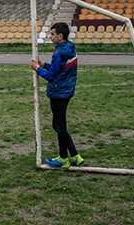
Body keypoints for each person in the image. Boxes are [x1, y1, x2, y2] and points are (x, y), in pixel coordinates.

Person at [30, 22, 84, 168]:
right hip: (66, 92)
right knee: (58, 125)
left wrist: (37, 68)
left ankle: (63, 158)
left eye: (52, 34)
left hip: (58, 93)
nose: (50, 36)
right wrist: (43, 64)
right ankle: (75, 156)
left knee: (59, 126)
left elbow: (51, 76)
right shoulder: (69, 48)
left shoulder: (59, 53)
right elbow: (58, 69)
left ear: (60, 36)